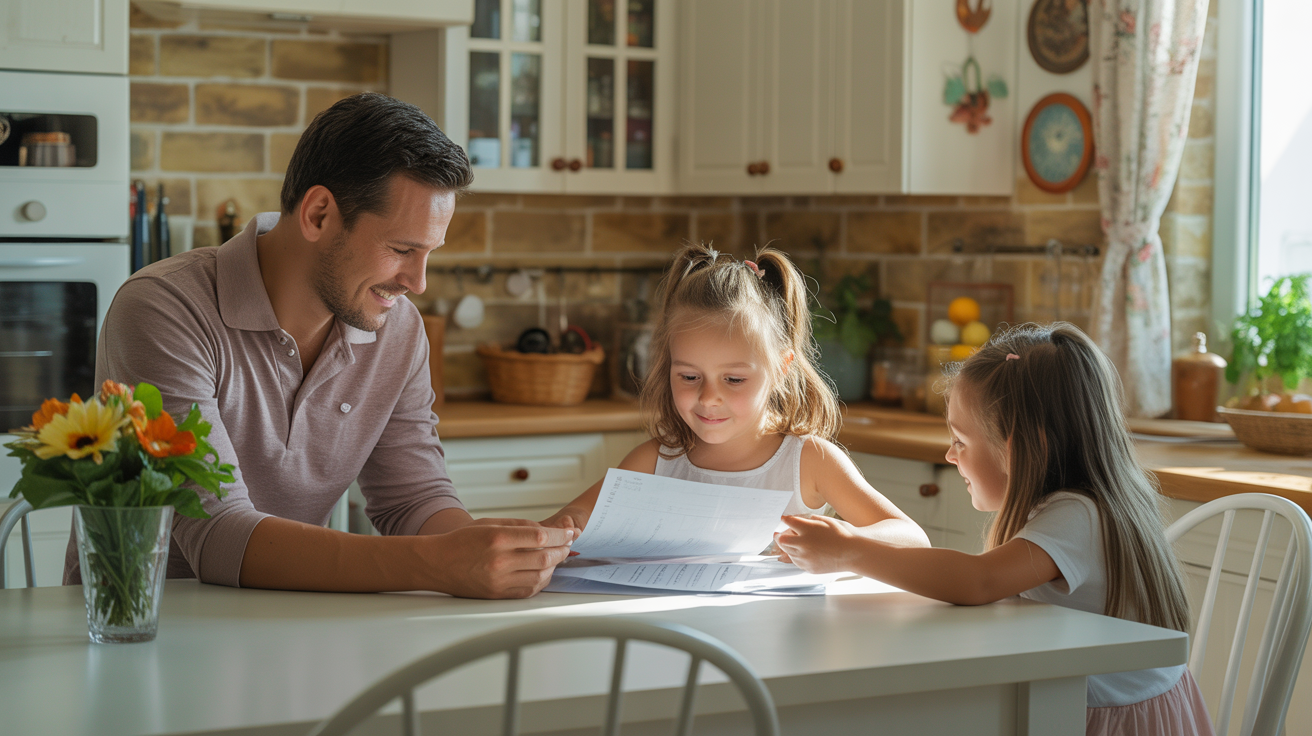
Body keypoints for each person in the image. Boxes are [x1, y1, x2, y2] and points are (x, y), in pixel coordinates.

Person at [64, 93, 575, 598]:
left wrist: (484, 553)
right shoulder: (163, 310)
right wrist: (437, 564)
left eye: (428, 254)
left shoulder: (397, 328)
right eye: (401, 249)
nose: (417, 282)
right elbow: (215, 533)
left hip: (297, 628)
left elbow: (413, 499)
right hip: (142, 633)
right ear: (318, 214)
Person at [775, 323, 1215, 736]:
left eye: (961, 442)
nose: (951, 456)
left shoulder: (1078, 515)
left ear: (1025, 445)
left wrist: (849, 549)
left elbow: (977, 580)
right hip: (1086, 701)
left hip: (1108, 720)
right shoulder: (1080, 505)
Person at [545, 243, 929, 550]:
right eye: (690, 376)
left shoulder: (809, 461)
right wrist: (567, 529)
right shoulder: (655, 461)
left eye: (733, 379)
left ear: (781, 369)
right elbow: (573, 518)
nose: (709, 397)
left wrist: (848, 541)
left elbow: (912, 539)